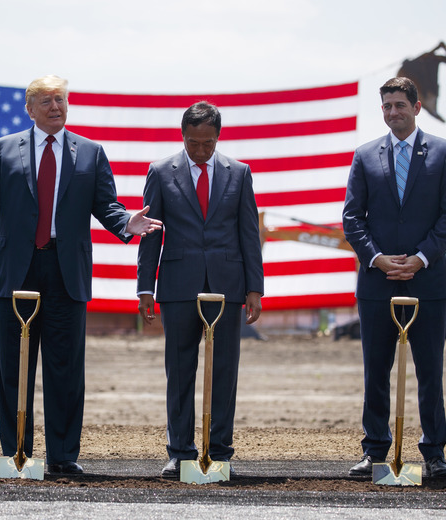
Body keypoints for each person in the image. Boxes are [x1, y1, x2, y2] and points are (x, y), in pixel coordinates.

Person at [0, 75, 162, 475]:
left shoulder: (91, 152)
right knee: (14, 366)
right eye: (46, 101)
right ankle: (18, 456)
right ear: (29, 109)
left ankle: (63, 457)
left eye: (61, 99)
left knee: (66, 368)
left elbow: (107, 205)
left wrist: (126, 224)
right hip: (17, 269)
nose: (55, 106)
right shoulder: (2, 149)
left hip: (66, 271)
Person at [343, 77, 446, 478]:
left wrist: (421, 258)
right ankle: (374, 453)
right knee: (375, 371)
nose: (393, 112)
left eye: (399, 104)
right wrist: (376, 259)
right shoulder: (364, 156)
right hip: (377, 282)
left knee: (430, 372)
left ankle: (434, 455)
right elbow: (351, 218)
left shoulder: (445, 153)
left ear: (416, 107)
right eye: (386, 106)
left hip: (426, 281)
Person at [136, 101, 264, 478]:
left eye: (207, 143)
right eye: (193, 143)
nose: (200, 150)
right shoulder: (160, 173)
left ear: (218, 137)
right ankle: (181, 452)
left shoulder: (239, 174)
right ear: (183, 136)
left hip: (228, 287)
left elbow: (248, 234)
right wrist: (146, 286)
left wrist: (254, 287)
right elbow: (150, 234)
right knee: (179, 371)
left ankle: (220, 451)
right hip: (177, 286)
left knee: (225, 370)